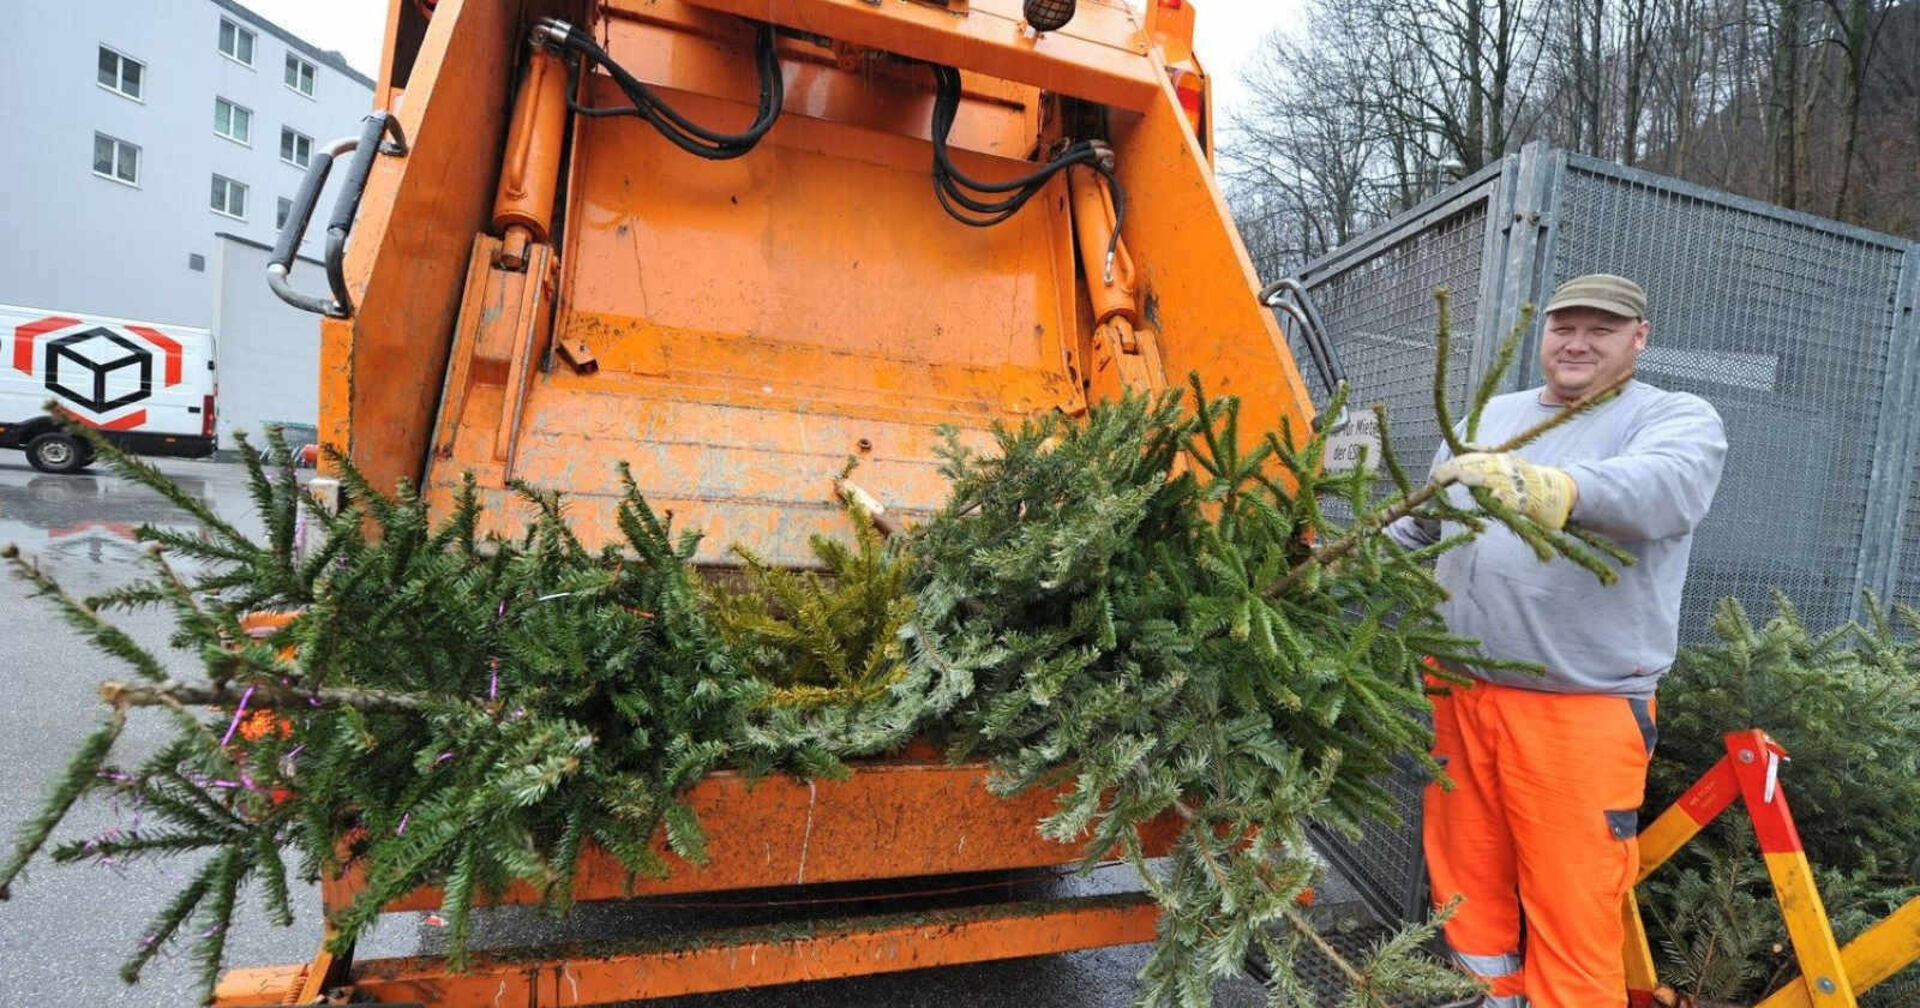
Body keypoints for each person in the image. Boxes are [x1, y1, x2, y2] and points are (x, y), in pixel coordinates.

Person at [1387, 274, 1728, 1007]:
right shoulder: (1488, 416)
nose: (1576, 342)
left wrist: (1553, 490)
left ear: (1639, 338)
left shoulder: (1673, 417)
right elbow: (1418, 527)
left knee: (1572, 908)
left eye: (1600, 330)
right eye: (1563, 327)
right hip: (1459, 691)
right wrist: (1327, 554)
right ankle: (1488, 999)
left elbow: (1663, 489)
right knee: (1467, 887)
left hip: (1578, 710)